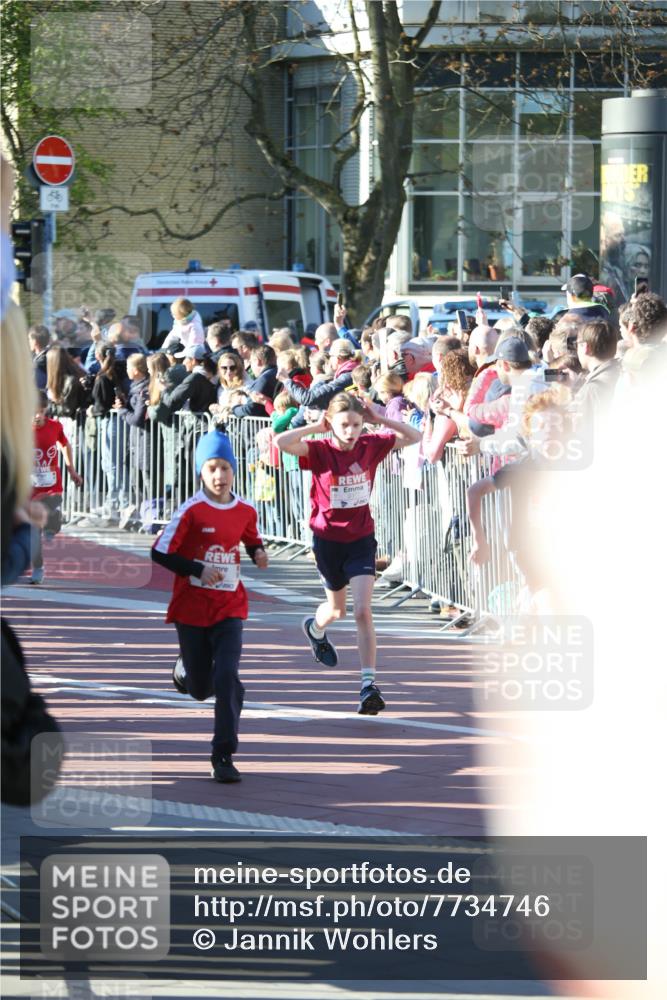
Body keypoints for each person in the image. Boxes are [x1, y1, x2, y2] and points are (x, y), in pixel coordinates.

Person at [275, 393, 422, 715]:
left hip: (360, 539)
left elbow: (415, 436)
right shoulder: (319, 449)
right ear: (333, 424)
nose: (352, 431)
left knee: (362, 612)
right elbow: (282, 441)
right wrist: (316, 425)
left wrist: (379, 419)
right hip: (327, 540)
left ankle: (368, 684)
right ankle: (314, 629)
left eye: (356, 424)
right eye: (344, 425)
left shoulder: (371, 444)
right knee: (337, 610)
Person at [150, 429, 268, 783]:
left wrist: (257, 552)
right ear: (201, 471)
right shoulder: (191, 510)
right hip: (192, 608)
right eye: (212, 468)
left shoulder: (245, 509)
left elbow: (250, 537)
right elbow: (159, 551)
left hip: (230, 606)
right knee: (201, 689)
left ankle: (222, 754)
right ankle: (188, 669)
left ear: (234, 470)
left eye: (225, 468)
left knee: (227, 672)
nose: (219, 476)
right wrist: (198, 568)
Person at [29, 393, 83, 584]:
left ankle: (53, 523)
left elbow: (65, 444)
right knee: (32, 532)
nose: (37, 415)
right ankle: (38, 568)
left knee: (52, 516)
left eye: (41, 411)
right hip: (31, 487)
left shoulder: (55, 426)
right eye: (33, 411)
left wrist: (71, 469)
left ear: (46, 410)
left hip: (52, 484)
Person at [45, 344, 89, 418]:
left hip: (71, 424)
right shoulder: (60, 380)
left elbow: (67, 409)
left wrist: (47, 407)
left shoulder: (70, 381)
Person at [28, 325, 51, 390]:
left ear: (35, 342)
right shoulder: (51, 354)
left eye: (29, 339)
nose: (28, 342)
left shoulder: (40, 364)